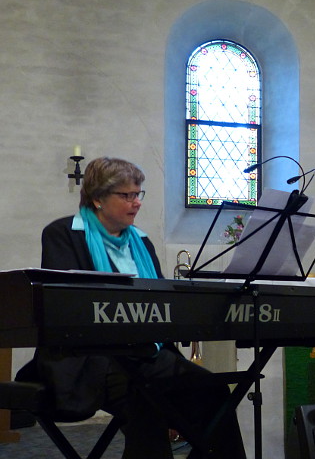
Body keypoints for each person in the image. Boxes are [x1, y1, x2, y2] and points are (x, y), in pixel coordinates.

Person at [17, 157, 243, 458]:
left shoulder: (142, 242)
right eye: (126, 195)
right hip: (88, 357)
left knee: (213, 392)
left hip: (147, 353)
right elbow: (67, 305)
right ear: (97, 198)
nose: (136, 203)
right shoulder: (64, 234)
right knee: (144, 394)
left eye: (138, 195)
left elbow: (162, 301)